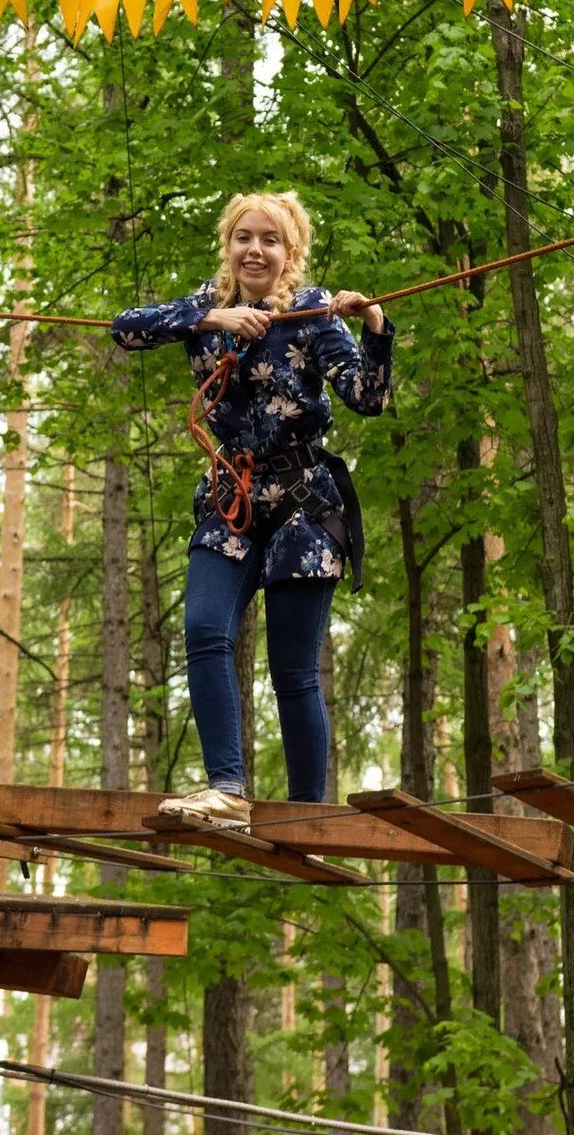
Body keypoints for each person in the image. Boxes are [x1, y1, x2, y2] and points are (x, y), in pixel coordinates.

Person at [113, 192, 393, 829]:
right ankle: (227, 789)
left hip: (301, 502)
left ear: (289, 253)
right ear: (228, 246)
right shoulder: (205, 308)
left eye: (270, 240)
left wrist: (373, 324)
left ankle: (306, 817)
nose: (255, 250)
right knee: (205, 631)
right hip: (230, 500)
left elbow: (367, 398)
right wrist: (215, 321)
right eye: (244, 237)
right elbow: (125, 328)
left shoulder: (314, 315)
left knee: (292, 671)